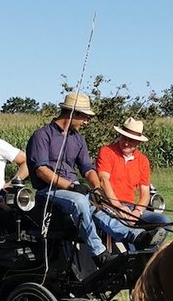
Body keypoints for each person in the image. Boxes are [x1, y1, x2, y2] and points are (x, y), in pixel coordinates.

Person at [24, 91, 109, 267]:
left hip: (73, 189)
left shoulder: (78, 140)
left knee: (105, 207)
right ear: (72, 113)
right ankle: (98, 252)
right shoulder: (42, 135)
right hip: (48, 191)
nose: (86, 122)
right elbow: (41, 171)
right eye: (84, 117)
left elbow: (88, 168)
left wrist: (97, 189)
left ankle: (133, 237)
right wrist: (70, 186)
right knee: (79, 201)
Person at [94, 116, 172, 249]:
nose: (126, 143)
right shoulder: (107, 152)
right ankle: (136, 255)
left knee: (165, 222)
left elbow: (145, 193)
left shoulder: (143, 161)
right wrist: (117, 206)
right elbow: (103, 180)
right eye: (124, 138)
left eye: (131, 140)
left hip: (131, 207)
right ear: (120, 135)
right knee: (127, 227)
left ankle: (145, 255)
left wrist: (137, 211)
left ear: (138, 143)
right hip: (109, 204)